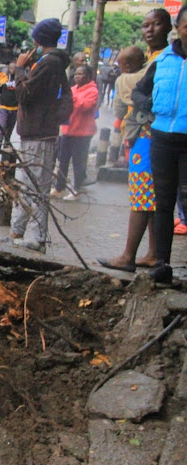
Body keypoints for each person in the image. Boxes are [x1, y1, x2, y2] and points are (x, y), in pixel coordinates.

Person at [97, 9, 172, 273]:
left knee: (142, 193)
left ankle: (128, 256)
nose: (149, 29)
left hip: (150, 134)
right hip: (143, 132)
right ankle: (151, 253)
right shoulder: (151, 59)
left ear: (169, 26)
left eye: (156, 24)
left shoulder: (165, 59)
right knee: (151, 195)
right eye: (145, 25)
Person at [130, 6, 187, 283]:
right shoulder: (164, 59)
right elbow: (139, 90)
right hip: (162, 138)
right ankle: (162, 265)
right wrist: (147, 106)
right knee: (163, 203)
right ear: (179, 27)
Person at [7, 18, 71, 253]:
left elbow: (25, 96)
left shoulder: (49, 64)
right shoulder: (47, 62)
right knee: (25, 185)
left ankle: (37, 236)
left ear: (37, 39)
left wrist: (21, 68)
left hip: (40, 135)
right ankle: (18, 230)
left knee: (36, 187)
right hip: (33, 134)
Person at [50, 65, 98, 201]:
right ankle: (59, 188)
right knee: (63, 160)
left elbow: (86, 106)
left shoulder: (92, 91)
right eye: (76, 73)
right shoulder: (72, 89)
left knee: (79, 162)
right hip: (68, 131)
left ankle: (77, 190)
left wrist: (72, 98)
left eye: (81, 74)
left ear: (88, 77)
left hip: (82, 133)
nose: (77, 76)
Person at [0, 62, 18, 156]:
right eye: (11, 68)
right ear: (8, 69)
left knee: (9, 129)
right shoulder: (3, 80)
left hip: (15, 109)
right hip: (4, 108)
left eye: (14, 68)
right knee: (2, 127)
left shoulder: (18, 80)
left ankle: (6, 146)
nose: (12, 70)